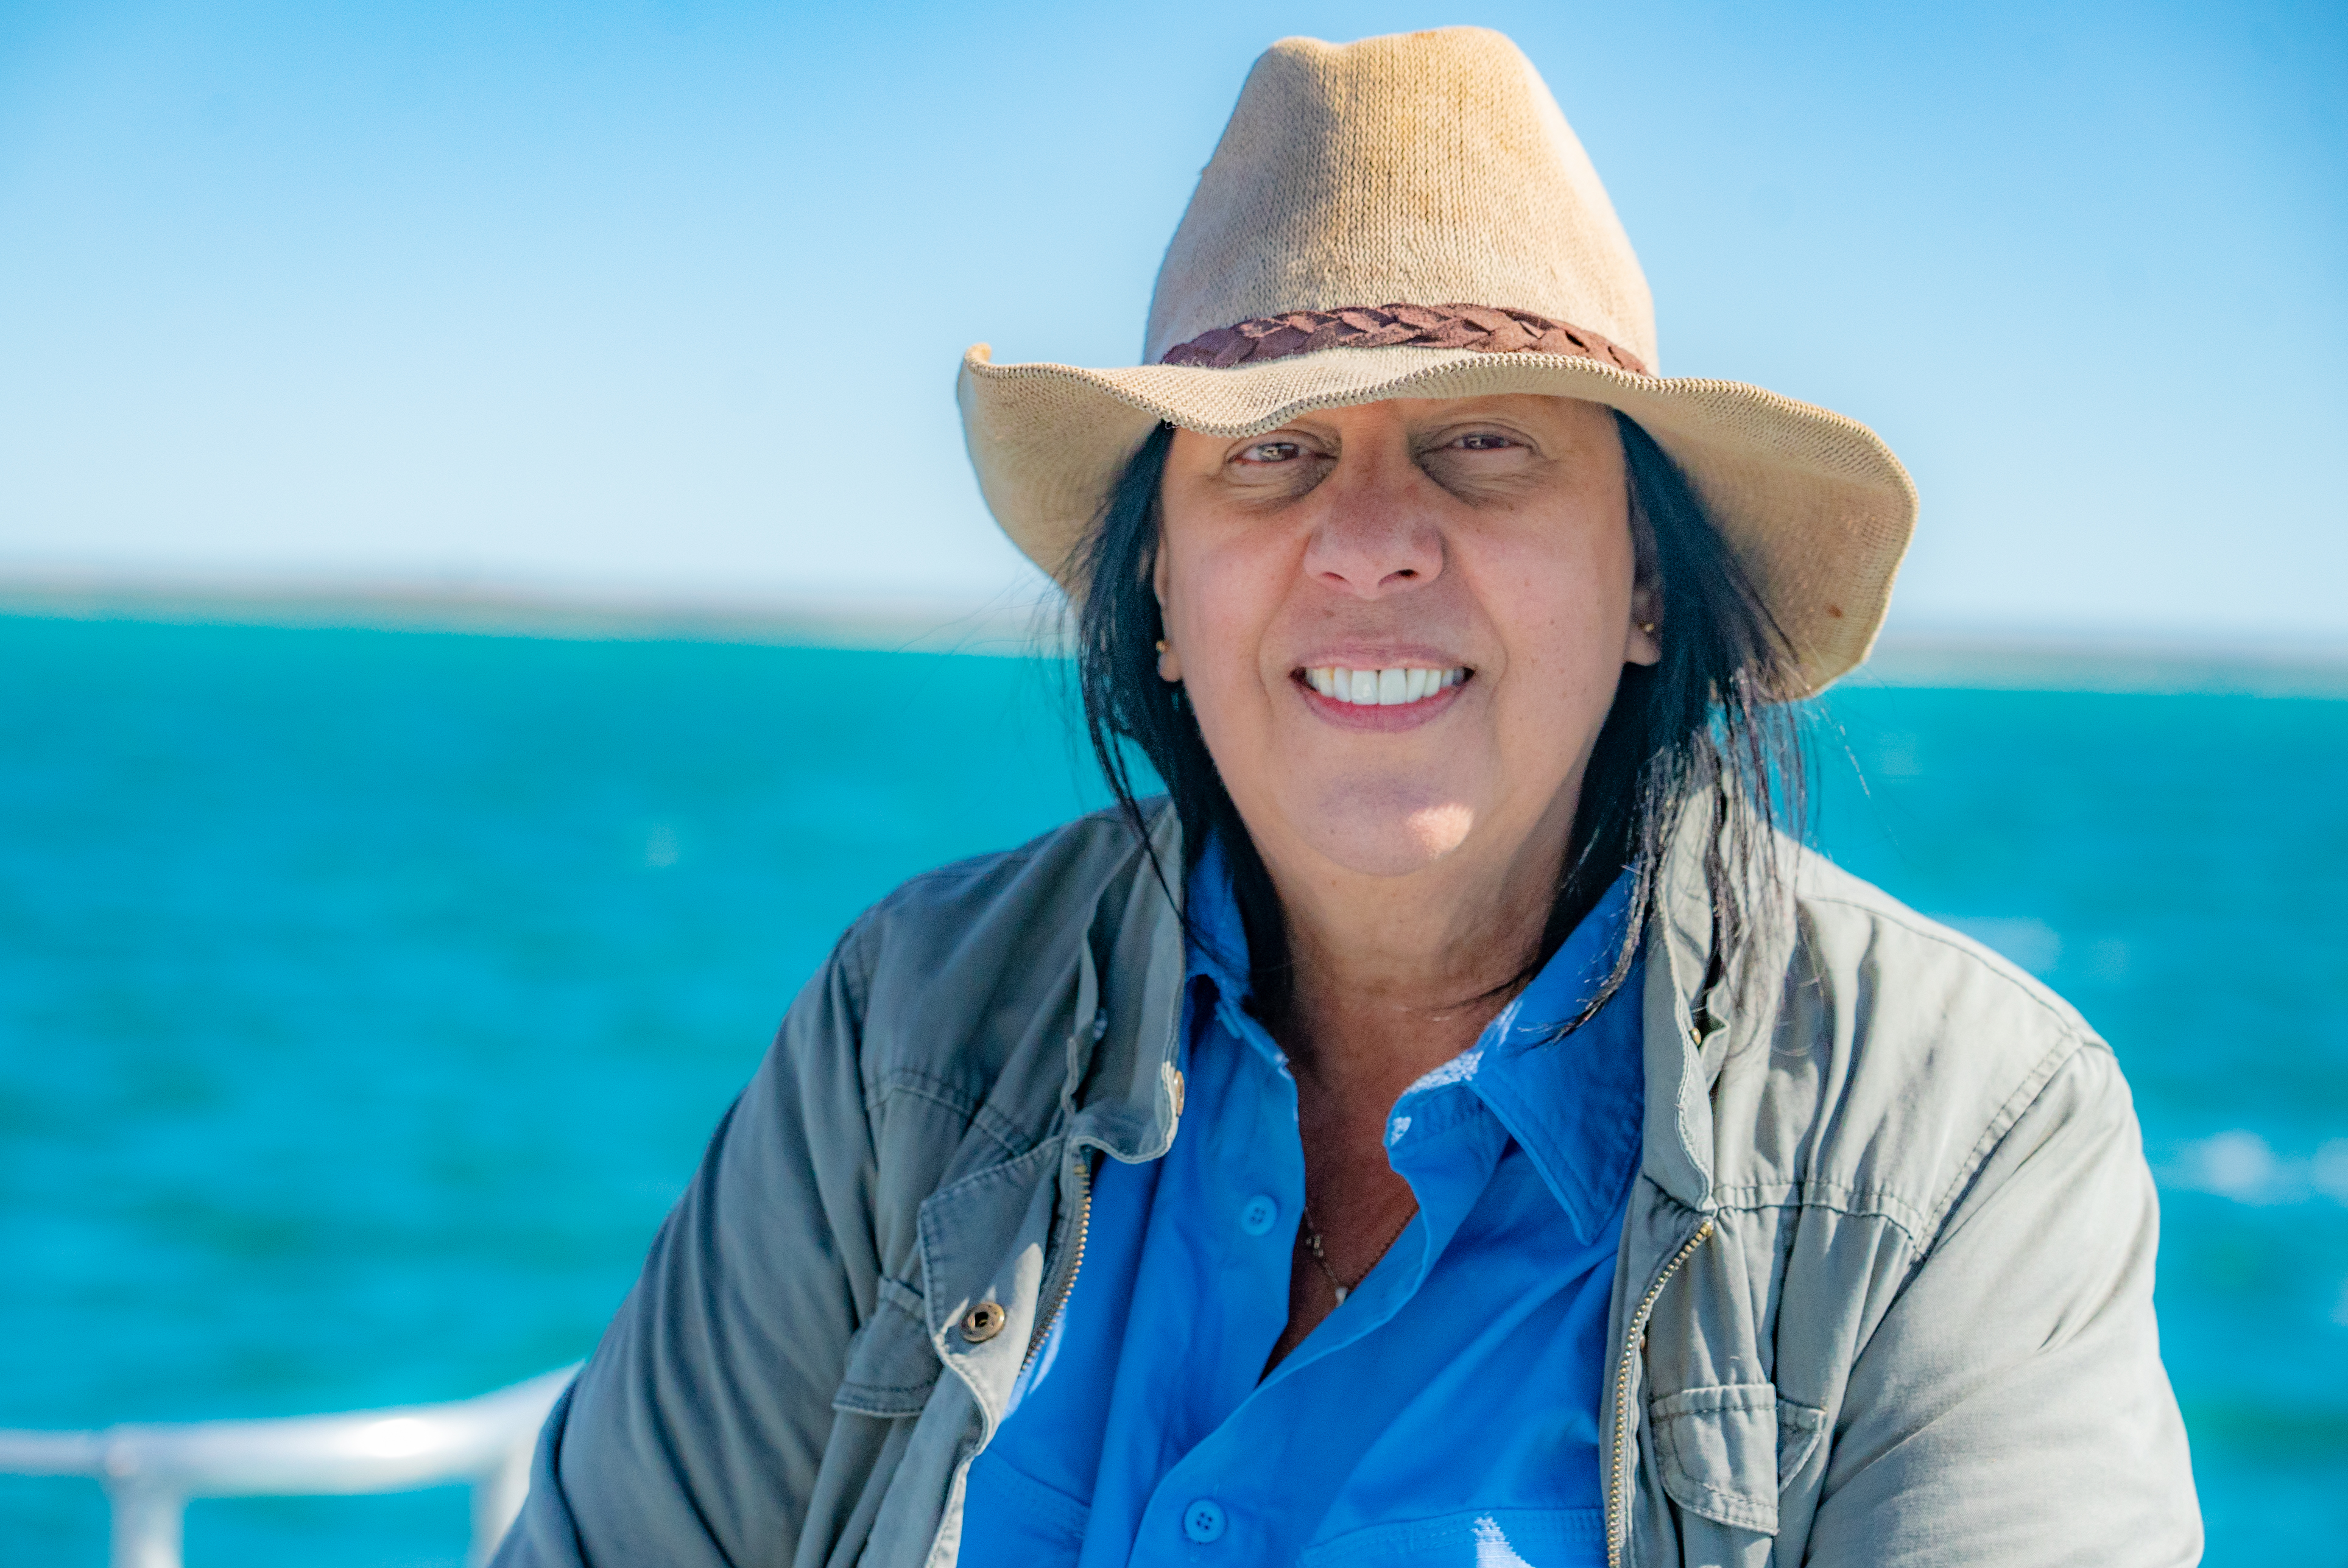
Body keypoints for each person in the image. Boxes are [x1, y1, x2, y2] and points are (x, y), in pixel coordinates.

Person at [495, 26, 2200, 1568]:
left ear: (1648, 595)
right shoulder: (911, 1029)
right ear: (1158, 595)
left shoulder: (1965, 1145)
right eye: (1269, 451)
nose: (1372, 538)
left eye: (1484, 445)